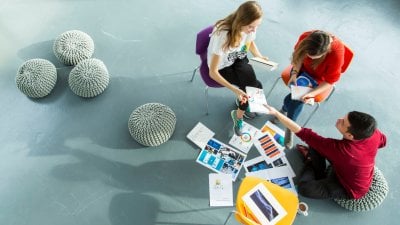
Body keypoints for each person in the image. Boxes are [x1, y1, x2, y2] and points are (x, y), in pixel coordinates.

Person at [264, 104, 387, 199]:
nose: (339, 119)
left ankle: (310, 162)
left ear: (350, 136)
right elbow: (383, 142)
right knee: (315, 144)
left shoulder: (342, 151)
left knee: (305, 189)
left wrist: (276, 113)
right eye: (343, 117)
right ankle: (316, 166)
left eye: (343, 122)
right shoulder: (374, 133)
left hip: (348, 188)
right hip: (346, 165)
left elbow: (303, 133)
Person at [208, 1, 269, 136]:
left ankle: (242, 109)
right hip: (223, 66)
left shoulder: (249, 28)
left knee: (253, 87)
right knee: (248, 90)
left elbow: (250, 41)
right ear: (241, 21)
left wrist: (258, 56)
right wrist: (234, 90)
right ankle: (238, 116)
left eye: (257, 26)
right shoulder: (223, 35)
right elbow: (213, 72)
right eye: (251, 26)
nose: (254, 30)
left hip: (238, 57)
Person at [278, 30, 347, 148]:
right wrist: (294, 74)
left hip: (320, 79)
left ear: (325, 52)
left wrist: (311, 94)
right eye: (308, 55)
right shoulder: (306, 37)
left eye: (313, 57)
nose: (309, 58)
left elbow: (330, 81)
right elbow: (298, 57)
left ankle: (288, 122)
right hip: (301, 71)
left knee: (297, 98)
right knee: (295, 96)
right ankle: (288, 119)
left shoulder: (336, 53)